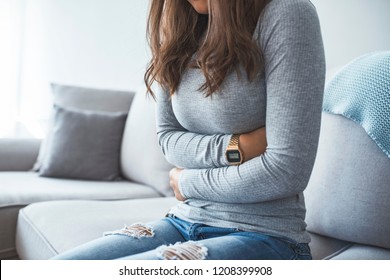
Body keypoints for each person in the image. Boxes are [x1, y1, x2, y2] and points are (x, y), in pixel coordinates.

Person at [53, 0, 325, 260]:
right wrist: (237, 147)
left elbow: (286, 171)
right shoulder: (178, 27)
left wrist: (186, 182)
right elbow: (168, 139)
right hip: (183, 220)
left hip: (266, 235)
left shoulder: (288, 13)